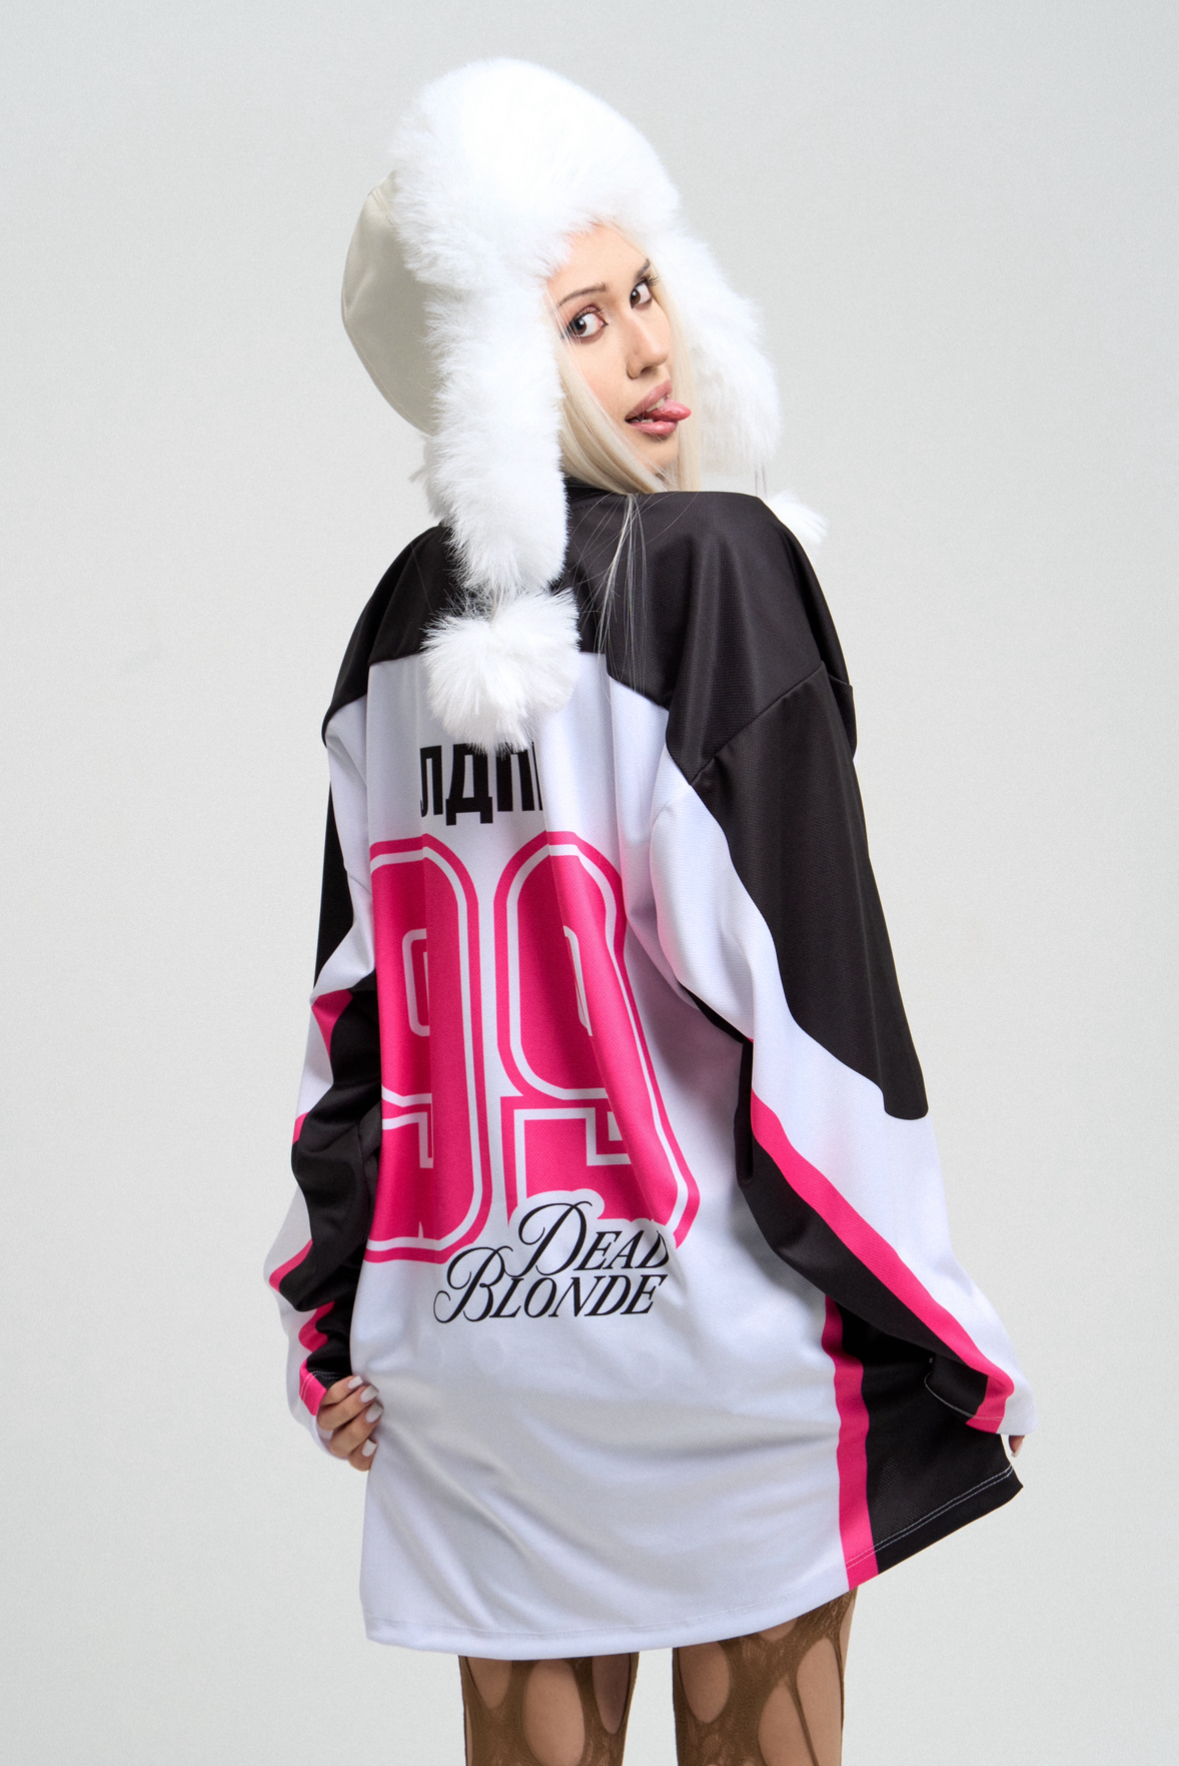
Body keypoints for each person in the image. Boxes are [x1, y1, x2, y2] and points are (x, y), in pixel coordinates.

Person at [265, 60, 1034, 1766]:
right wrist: (938, 1320)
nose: (647, 352)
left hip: (475, 1354)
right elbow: (813, 999)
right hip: (709, 1347)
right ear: (483, 370)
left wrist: (327, 1314)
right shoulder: (722, 566)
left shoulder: (391, 628)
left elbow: (354, 1014)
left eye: (646, 292)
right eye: (578, 321)